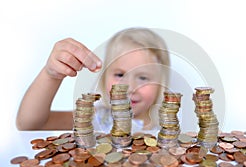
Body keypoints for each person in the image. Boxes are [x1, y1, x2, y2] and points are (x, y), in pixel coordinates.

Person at [16, 27, 170, 135]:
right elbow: (30, 124)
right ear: (104, 78)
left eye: (143, 77)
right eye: (119, 74)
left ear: (160, 85)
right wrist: (50, 76)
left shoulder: (166, 129)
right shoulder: (93, 117)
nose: (129, 87)